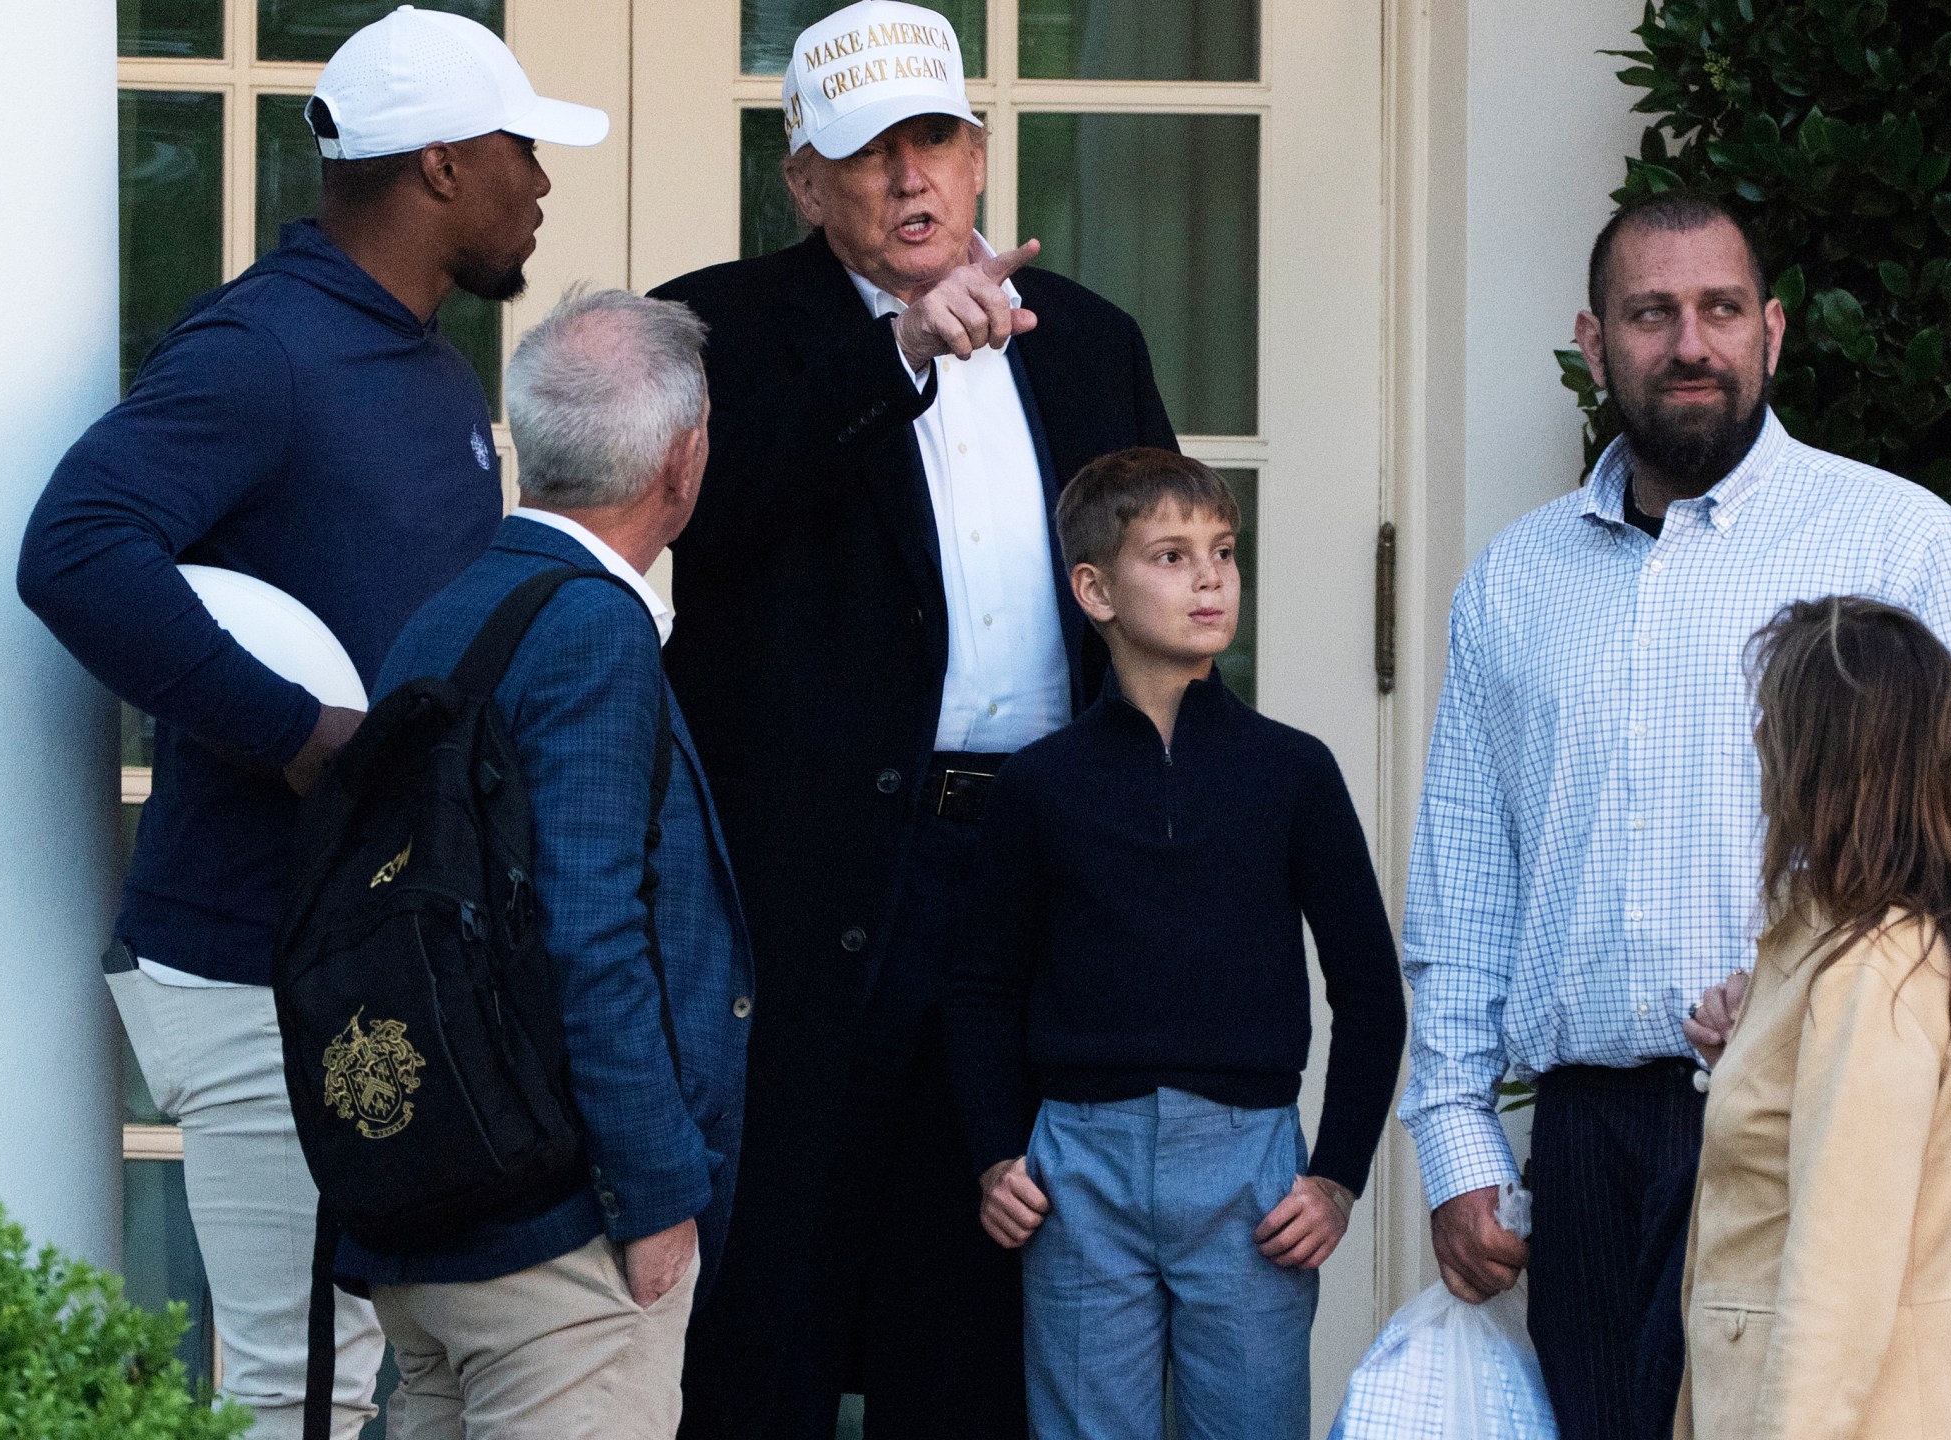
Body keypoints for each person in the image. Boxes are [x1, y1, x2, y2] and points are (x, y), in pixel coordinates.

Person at [16, 10, 607, 1434]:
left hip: (374, 952)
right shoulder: (266, 349)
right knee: (301, 1392)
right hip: (256, 963)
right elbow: (75, 548)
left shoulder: (421, 357)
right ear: (445, 164)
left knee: (390, 1372)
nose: (542, 180)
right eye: (522, 149)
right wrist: (296, 735)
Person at [1397, 188, 1951, 1440]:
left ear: (1772, 330)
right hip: (1586, 1147)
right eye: (1651, 314)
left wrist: (1820, 1018)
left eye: (1720, 310)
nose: (1690, 344)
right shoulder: (1513, 582)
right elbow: (1464, 888)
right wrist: (1457, 1140)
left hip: (1817, 1126)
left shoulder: (1908, 548)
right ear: (1594, 342)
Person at [646, 3, 1178, 1434]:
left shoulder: (1092, 343)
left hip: (1030, 866)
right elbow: (713, 511)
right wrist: (894, 357)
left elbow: (1162, 590)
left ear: (981, 155)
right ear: (802, 180)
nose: (908, 176)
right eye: (867, 152)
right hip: (810, 884)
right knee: (775, 1295)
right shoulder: (713, 327)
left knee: (978, 1299)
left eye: (933, 138)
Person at [348, 288, 753, 1440]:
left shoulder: (450, 610)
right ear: (682, 459)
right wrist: (656, 1194)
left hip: (438, 1212)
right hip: (562, 1252)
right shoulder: (590, 626)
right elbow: (588, 930)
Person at [946, 449, 1407, 1440]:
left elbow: (1370, 989)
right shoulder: (1039, 784)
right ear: (1095, 591)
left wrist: (1336, 1176)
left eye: (1224, 552)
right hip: (1076, 1170)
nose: (1211, 578)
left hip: (1249, 1173)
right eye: (1171, 555)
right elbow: (980, 986)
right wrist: (994, 1156)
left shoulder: (1293, 772)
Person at [1673, 597, 1951, 1440]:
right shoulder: (1864, 939)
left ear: (1827, 758)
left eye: (1779, 720)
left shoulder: (1878, 964)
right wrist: (1748, 1054)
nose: (1761, 739)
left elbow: (1842, 1281)